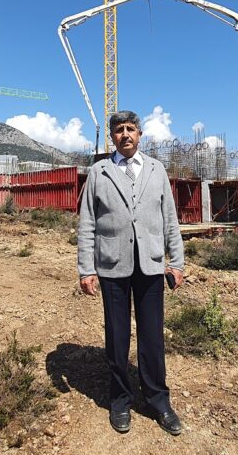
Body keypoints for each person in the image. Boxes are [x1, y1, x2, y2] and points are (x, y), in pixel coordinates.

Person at [77, 110, 185, 435]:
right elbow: (87, 224)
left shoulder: (157, 170)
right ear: (112, 136)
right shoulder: (100, 172)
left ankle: (158, 400)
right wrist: (86, 268)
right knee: (117, 336)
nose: (125, 134)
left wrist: (177, 262)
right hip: (112, 265)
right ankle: (120, 400)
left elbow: (170, 219)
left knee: (152, 337)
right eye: (119, 130)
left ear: (140, 134)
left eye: (131, 129)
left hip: (151, 265)